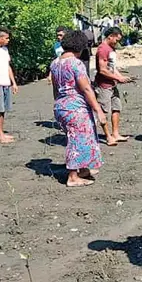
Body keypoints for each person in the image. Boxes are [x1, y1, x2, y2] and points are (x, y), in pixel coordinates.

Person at [51, 31, 106, 187]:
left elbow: (55, 89)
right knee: (77, 139)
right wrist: (99, 110)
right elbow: (86, 89)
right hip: (76, 106)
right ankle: (73, 176)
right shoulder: (76, 63)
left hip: (61, 105)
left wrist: (60, 104)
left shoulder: (55, 63)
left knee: (77, 137)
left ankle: (83, 169)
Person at [94, 27, 132, 146]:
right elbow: (102, 70)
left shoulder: (111, 49)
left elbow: (112, 67)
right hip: (103, 85)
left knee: (116, 107)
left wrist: (121, 78)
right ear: (110, 36)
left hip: (112, 84)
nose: (117, 42)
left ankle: (115, 133)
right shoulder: (102, 49)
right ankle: (108, 136)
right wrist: (118, 78)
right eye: (116, 39)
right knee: (104, 111)